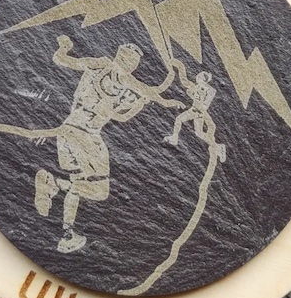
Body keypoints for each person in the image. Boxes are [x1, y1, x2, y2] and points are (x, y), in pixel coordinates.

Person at [34, 35, 183, 253]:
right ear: (129, 62)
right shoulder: (122, 77)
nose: (133, 67)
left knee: (79, 184)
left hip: (66, 131)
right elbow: (148, 91)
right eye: (133, 63)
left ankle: (67, 233)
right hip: (87, 136)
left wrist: (64, 47)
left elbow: (60, 59)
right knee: (99, 191)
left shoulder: (97, 64)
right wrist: (166, 100)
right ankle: (54, 184)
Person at [163, 65, 226, 163]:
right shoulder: (199, 87)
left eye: (200, 76)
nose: (197, 77)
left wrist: (199, 99)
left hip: (196, 110)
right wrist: (192, 94)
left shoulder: (208, 89)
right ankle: (218, 146)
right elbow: (191, 93)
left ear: (203, 79)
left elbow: (207, 99)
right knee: (199, 133)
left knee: (179, 119)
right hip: (197, 110)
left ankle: (174, 138)